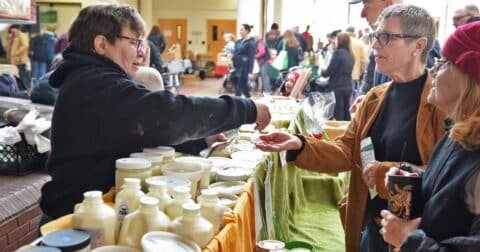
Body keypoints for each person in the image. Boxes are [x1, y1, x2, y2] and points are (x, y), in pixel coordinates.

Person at [39, 4, 271, 225]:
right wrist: (246, 109)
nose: (141, 54)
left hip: (92, 211)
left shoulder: (93, 79)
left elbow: (141, 132)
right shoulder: (95, 84)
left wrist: (201, 140)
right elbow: (167, 114)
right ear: (101, 44)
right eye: (134, 43)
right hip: (75, 223)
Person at [255, 4, 445, 252]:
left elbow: (445, 176)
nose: (375, 45)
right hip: (371, 230)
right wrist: (300, 144)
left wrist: (385, 175)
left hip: (414, 238)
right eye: (376, 36)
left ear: (418, 46)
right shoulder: (374, 98)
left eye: (386, 37)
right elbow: (347, 151)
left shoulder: (441, 104)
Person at [378, 21, 480, 252]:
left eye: (443, 62)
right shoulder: (460, 133)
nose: (433, 69)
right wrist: (412, 178)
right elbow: (453, 191)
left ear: (470, 77)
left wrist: (409, 241)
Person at [321, 32, 354, 121]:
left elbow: (329, 71)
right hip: (348, 85)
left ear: (340, 41)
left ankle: (338, 133)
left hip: (337, 86)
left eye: (336, 39)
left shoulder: (338, 53)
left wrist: (322, 71)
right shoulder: (350, 54)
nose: (334, 41)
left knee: (338, 114)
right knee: (346, 113)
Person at [233, 24, 256, 98]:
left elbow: (251, 57)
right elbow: (235, 53)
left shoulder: (251, 43)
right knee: (242, 87)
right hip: (237, 66)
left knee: (240, 87)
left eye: (241, 29)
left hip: (245, 67)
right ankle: (250, 101)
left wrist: (250, 72)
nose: (240, 31)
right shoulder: (238, 42)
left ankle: (237, 102)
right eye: (240, 30)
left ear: (247, 31)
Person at [7, 25, 30, 90]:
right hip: (13, 59)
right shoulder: (12, 36)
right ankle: (20, 88)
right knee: (17, 74)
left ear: (16, 28)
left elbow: (25, 45)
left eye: (12, 28)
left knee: (22, 74)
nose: (11, 30)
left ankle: (27, 88)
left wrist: (17, 52)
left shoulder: (21, 35)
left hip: (20, 59)